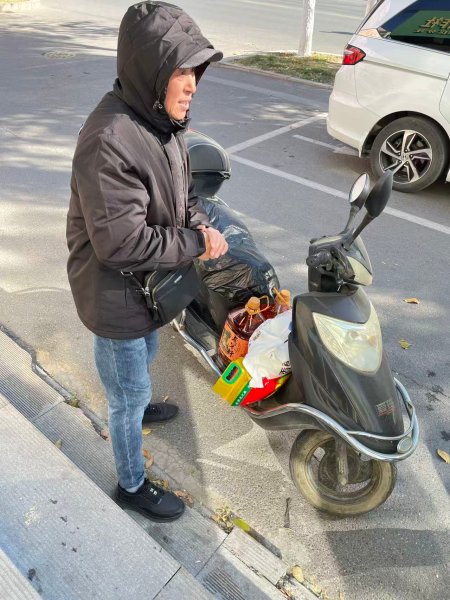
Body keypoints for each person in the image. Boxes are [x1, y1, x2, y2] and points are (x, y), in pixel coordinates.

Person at [66, 1, 228, 522]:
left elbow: (181, 191)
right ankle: (131, 483)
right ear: (152, 72)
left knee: (148, 350)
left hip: (146, 287)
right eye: (182, 71)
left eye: (196, 71)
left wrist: (199, 222)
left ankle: (138, 406)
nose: (193, 84)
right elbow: (121, 244)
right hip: (113, 291)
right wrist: (195, 243)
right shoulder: (110, 140)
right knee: (125, 393)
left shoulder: (159, 122)